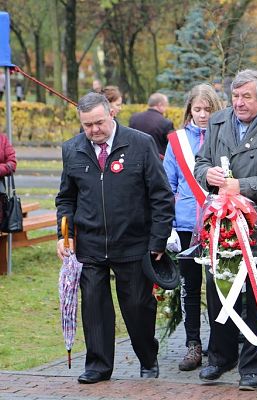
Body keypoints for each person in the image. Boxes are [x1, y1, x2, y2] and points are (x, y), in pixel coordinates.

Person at [55, 92, 175, 384]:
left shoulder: (140, 144)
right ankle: (98, 365)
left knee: (137, 307)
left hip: (133, 243)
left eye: (98, 122)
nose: (94, 130)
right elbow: (66, 199)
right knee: (94, 307)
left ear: (111, 114)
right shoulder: (72, 149)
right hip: (90, 244)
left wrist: (157, 240)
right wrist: (65, 235)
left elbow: (161, 196)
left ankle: (147, 358)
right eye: (87, 125)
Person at [194, 69, 257, 391]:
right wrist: (205, 174)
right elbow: (200, 162)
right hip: (220, 227)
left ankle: (252, 367)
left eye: (246, 97)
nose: (238, 103)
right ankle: (219, 357)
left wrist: (243, 186)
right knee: (218, 293)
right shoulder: (218, 121)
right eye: (235, 96)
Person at [163, 84, 223, 371]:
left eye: (207, 110)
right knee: (190, 287)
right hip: (186, 223)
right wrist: (170, 224)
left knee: (217, 285)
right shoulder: (176, 141)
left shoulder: (224, 137)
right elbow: (168, 184)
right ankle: (193, 344)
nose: (202, 115)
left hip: (218, 221)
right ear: (189, 110)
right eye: (197, 109)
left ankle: (220, 342)